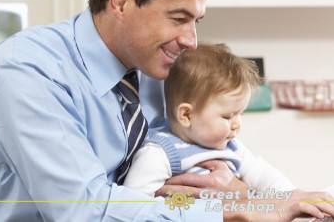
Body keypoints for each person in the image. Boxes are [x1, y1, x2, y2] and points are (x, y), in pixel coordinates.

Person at [0, 0, 334, 221]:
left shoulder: (158, 68)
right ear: (121, 0)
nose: (192, 41)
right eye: (179, 18)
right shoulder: (27, 71)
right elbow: (83, 212)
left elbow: (210, 164)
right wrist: (234, 209)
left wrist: (246, 194)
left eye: (196, 20)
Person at [124, 43, 297, 197]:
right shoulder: (159, 153)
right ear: (186, 115)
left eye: (240, 114)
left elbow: (263, 176)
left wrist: (293, 198)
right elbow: (133, 204)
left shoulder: (233, 147)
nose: (237, 124)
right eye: (227, 116)